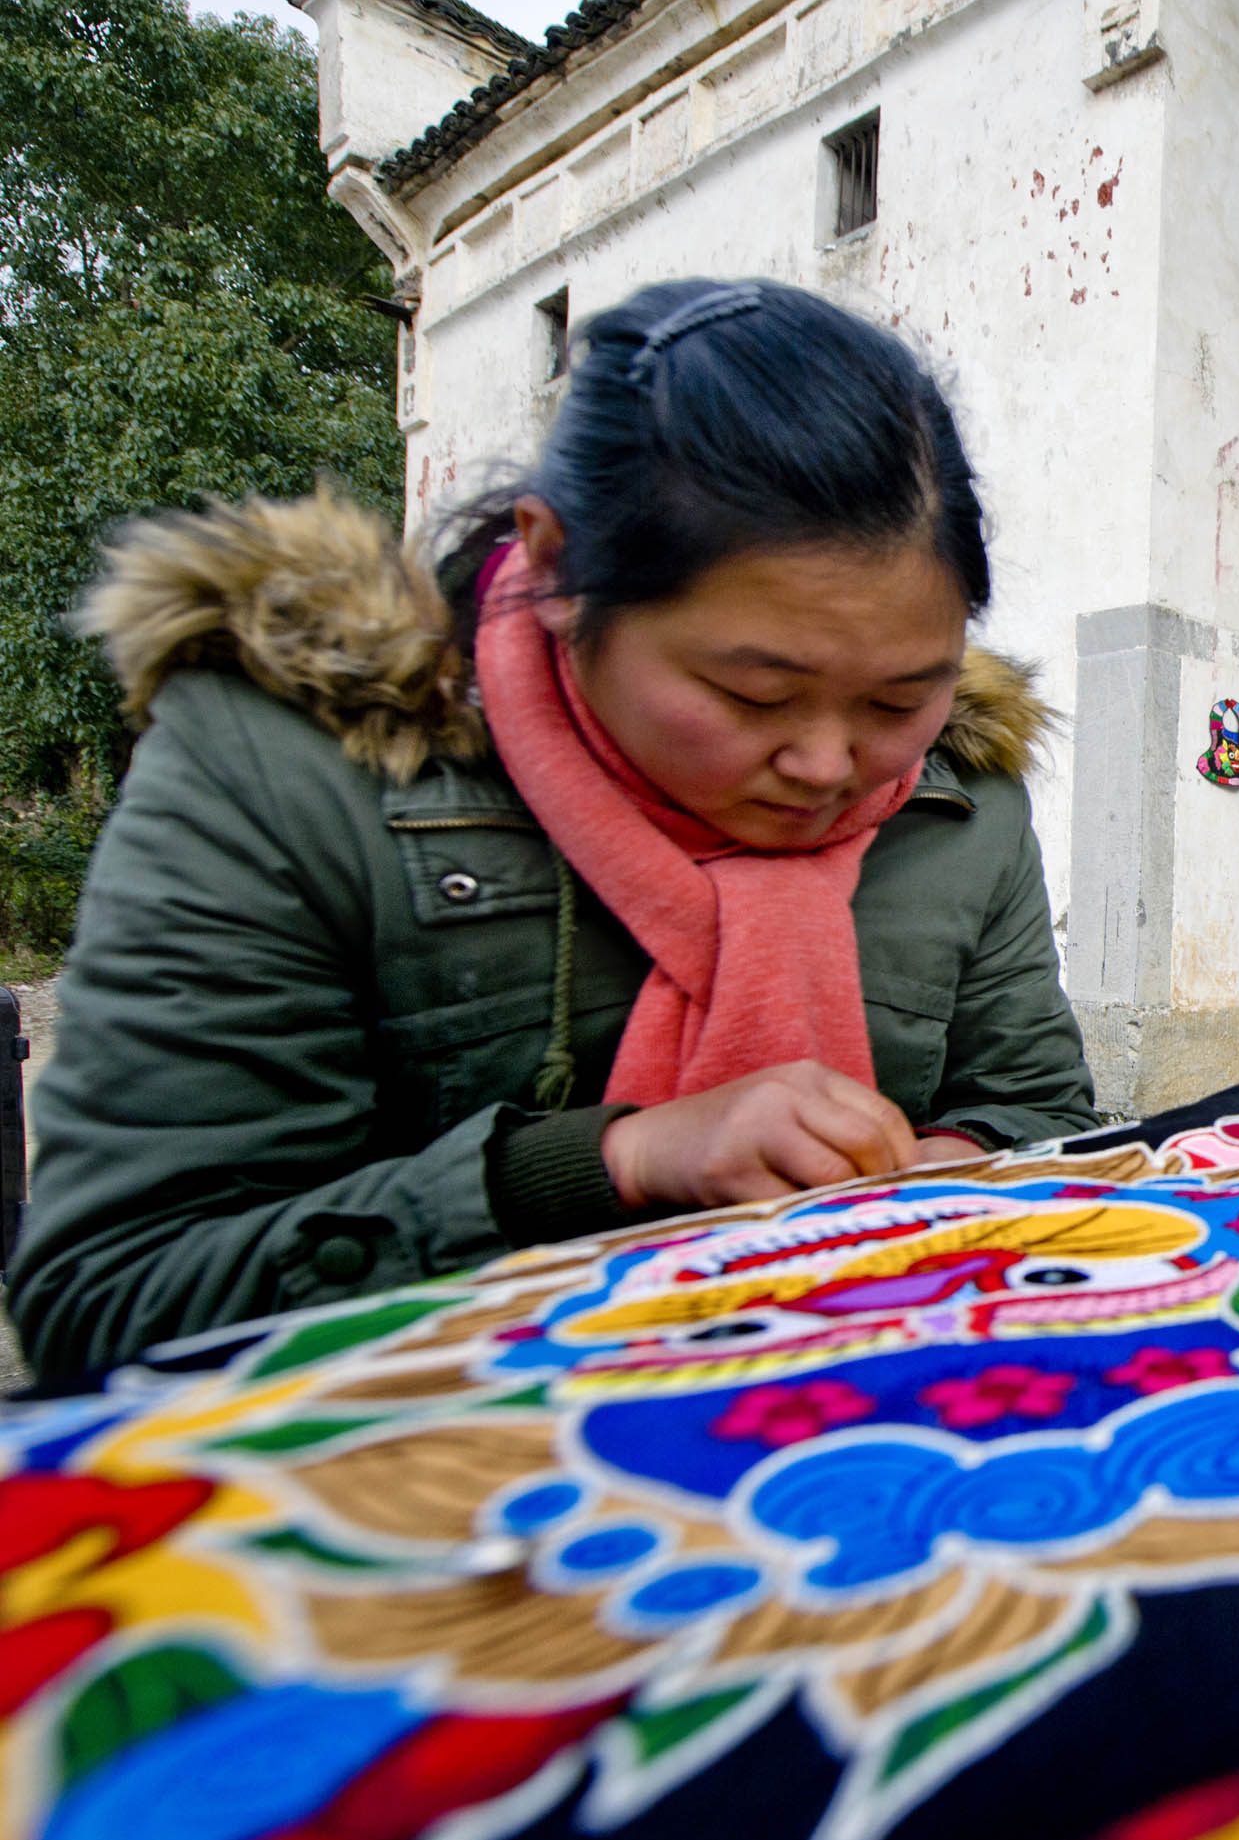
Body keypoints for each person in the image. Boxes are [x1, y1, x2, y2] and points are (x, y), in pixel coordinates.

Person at [13, 278, 1098, 1379]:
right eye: (755, 695)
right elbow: (114, 1294)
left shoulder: (958, 788)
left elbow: (1038, 1110)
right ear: (559, 564)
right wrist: (611, 1162)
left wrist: (930, 1172)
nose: (830, 765)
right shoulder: (292, 769)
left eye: (894, 699)